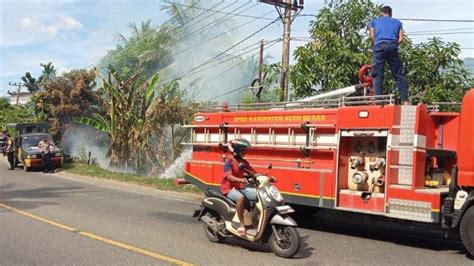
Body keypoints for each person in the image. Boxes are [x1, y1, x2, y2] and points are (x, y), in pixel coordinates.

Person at [370, 6, 409, 105]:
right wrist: (394, 44)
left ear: (381, 13)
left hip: (379, 46)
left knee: (377, 74)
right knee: (398, 74)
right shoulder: (398, 23)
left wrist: (376, 45)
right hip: (393, 46)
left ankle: (378, 101)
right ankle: (405, 100)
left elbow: (372, 36)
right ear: (391, 14)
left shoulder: (374, 22)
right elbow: (401, 39)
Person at [220, 139, 256, 236]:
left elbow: (254, 172)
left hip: (240, 187)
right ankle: (241, 225)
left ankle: (253, 221)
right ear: (236, 150)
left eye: (245, 150)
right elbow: (228, 176)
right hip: (229, 188)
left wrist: (267, 177)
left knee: (259, 195)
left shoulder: (243, 162)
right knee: (240, 198)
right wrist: (240, 180)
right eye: (242, 150)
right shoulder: (229, 162)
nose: (244, 152)